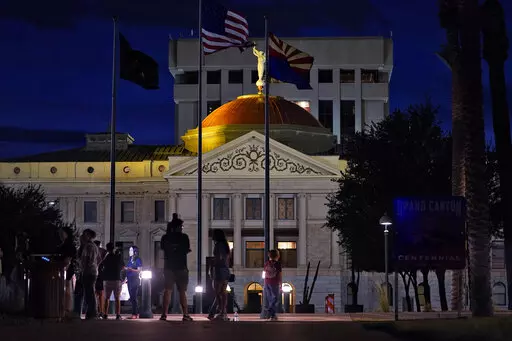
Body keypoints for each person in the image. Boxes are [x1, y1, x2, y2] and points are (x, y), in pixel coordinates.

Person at [160, 214, 193, 321]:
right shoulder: (184, 237)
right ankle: (185, 314)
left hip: (168, 267)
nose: (182, 228)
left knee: (167, 291)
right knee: (182, 292)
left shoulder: (165, 237)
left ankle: (164, 314)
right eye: (181, 226)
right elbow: (186, 249)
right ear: (178, 227)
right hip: (181, 267)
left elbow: (163, 249)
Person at [208, 229, 231, 321]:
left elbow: (219, 258)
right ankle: (223, 312)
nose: (212, 236)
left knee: (218, 292)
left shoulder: (219, 245)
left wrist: (212, 264)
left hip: (219, 269)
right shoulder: (225, 245)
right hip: (225, 269)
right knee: (223, 292)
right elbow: (225, 258)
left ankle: (221, 311)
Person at [79, 229, 99, 320]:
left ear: (89, 236)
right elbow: (99, 258)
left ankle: (92, 313)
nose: (82, 236)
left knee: (89, 292)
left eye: (84, 234)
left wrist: (85, 269)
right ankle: (92, 312)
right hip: (93, 271)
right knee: (90, 292)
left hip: (88, 272)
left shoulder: (88, 246)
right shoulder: (94, 246)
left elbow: (86, 259)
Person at [57, 226, 77, 319]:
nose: (60, 235)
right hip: (65, 269)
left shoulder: (68, 245)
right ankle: (65, 308)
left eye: (62, 233)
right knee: (66, 289)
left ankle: (66, 309)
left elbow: (68, 258)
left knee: (66, 290)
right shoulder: (64, 244)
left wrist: (64, 268)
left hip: (66, 270)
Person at [102, 242, 124, 320]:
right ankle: (118, 315)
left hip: (107, 279)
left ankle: (105, 314)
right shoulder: (118, 257)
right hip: (117, 279)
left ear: (107, 249)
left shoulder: (107, 257)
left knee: (106, 298)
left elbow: (102, 264)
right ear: (113, 248)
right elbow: (122, 266)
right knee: (117, 298)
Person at [263, 249, 282, 321]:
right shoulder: (278, 264)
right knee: (275, 298)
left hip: (267, 282)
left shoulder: (266, 263)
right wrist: (281, 284)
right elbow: (280, 275)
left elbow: (264, 273)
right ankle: (270, 310)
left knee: (270, 299)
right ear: (277, 256)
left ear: (269, 256)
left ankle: (272, 315)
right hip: (275, 282)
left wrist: (264, 283)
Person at [125, 245, 142, 319]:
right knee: (131, 297)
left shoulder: (138, 259)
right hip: (129, 279)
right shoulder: (129, 259)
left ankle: (135, 314)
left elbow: (139, 270)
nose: (129, 252)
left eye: (131, 250)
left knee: (134, 297)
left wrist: (130, 269)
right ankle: (135, 313)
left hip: (135, 280)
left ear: (135, 252)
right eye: (129, 250)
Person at [94, 240, 107, 318]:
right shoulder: (103, 251)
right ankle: (101, 311)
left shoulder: (94, 251)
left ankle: (95, 311)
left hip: (94, 273)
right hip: (101, 274)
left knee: (95, 293)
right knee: (101, 294)